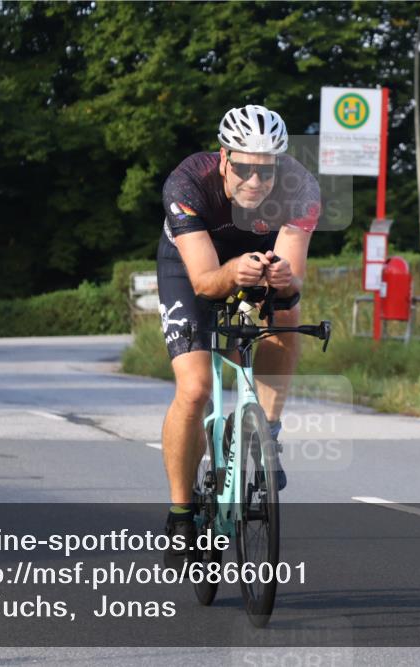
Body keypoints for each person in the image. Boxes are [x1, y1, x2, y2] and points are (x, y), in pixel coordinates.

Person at [155, 104, 320, 567]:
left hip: (257, 258)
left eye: (266, 171)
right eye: (244, 167)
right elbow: (206, 282)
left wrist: (281, 280)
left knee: (287, 310)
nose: (254, 180)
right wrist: (233, 274)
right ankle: (181, 515)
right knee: (195, 389)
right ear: (224, 158)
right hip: (191, 265)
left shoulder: (301, 187)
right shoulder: (188, 182)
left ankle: (267, 433)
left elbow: (294, 277)